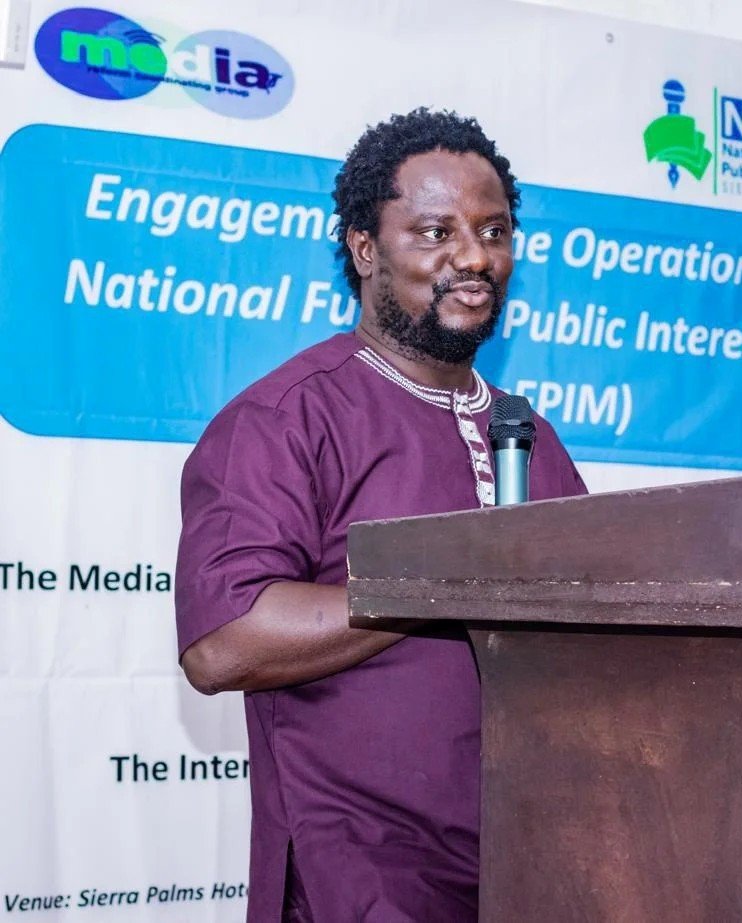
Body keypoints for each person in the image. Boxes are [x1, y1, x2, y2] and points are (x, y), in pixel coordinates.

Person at [175, 108, 587, 922]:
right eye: (436, 231)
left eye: (494, 231)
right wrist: (449, 581)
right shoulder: (286, 418)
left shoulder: (530, 436)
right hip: (359, 885)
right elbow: (222, 644)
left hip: (533, 869)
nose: (475, 257)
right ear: (365, 248)